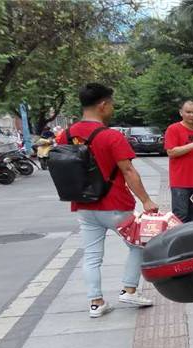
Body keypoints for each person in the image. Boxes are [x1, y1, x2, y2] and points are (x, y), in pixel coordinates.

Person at [57, 83, 159, 317]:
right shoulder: (111, 136)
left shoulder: (66, 134)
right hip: (114, 204)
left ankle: (96, 302)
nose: (111, 107)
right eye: (111, 103)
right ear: (103, 105)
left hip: (83, 205)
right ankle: (129, 290)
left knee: (92, 255)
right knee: (138, 245)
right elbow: (128, 171)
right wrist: (146, 200)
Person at [164, 100, 193, 222]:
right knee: (180, 217)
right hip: (180, 181)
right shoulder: (173, 129)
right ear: (181, 113)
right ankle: (179, 241)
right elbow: (171, 152)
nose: (192, 115)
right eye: (188, 112)